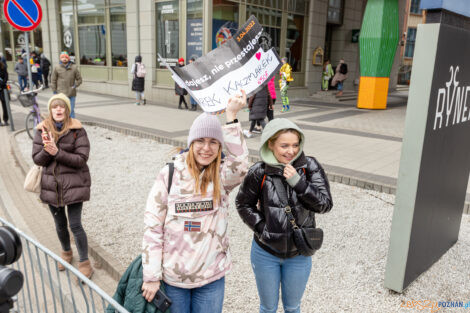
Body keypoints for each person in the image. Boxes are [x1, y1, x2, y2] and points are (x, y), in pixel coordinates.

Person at [141, 91, 249, 313]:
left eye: (213, 142)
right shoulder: (169, 174)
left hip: (211, 278)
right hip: (174, 281)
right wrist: (151, 276)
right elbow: (153, 227)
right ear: (191, 142)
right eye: (200, 141)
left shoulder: (221, 176)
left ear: (220, 147)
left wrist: (231, 116)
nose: (206, 148)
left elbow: (240, 165)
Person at [236, 118, 333, 313]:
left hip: (299, 253)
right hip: (265, 252)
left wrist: (299, 183)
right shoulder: (259, 171)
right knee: (268, 308)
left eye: (295, 145)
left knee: (293, 307)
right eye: (284, 145)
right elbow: (243, 204)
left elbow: (324, 204)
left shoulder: (309, 166)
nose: (291, 151)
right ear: (270, 145)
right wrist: (263, 229)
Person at [32, 93, 93, 279]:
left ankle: (84, 262)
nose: (58, 109)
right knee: (60, 225)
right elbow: (37, 159)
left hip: (74, 185)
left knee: (75, 225)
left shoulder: (77, 130)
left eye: (62, 106)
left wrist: (57, 152)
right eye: (54, 107)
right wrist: (46, 150)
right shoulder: (41, 130)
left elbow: (81, 159)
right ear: (50, 110)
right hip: (52, 186)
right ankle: (66, 252)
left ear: (67, 109)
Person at [51, 51, 82, 118]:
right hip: (61, 94)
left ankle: (72, 125)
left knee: (71, 110)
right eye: (62, 57)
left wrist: (74, 85)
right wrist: (54, 91)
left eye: (66, 57)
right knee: (62, 111)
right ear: (60, 58)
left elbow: (79, 79)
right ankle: (64, 125)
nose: (64, 58)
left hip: (71, 93)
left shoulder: (74, 67)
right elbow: (53, 80)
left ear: (68, 58)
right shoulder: (57, 68)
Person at [0, 62, 8, 126]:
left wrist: (3, 82)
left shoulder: (3, 66)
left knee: (5, 105)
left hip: (3, 89)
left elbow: (6, 75)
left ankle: (5, 120)